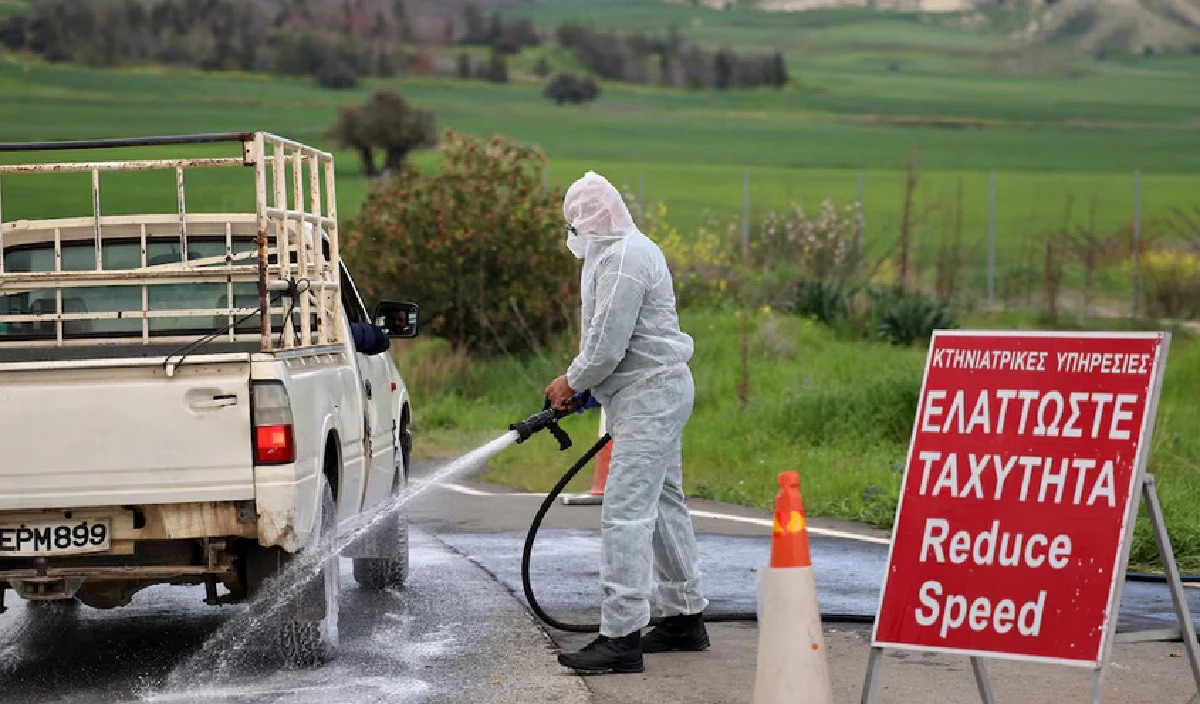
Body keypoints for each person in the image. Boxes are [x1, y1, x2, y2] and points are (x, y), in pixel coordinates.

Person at [544, 171, 709, 676]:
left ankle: (621, 637)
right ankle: (684, 617)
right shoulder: (618, 252)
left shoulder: (624, 261)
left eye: (579, 221)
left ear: (589, 220)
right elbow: (612, 344)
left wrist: (571, 382)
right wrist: (588, 385)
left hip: (651, 395)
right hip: (646, 392)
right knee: (662, 502)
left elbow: (607, 346)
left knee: (626, 511)